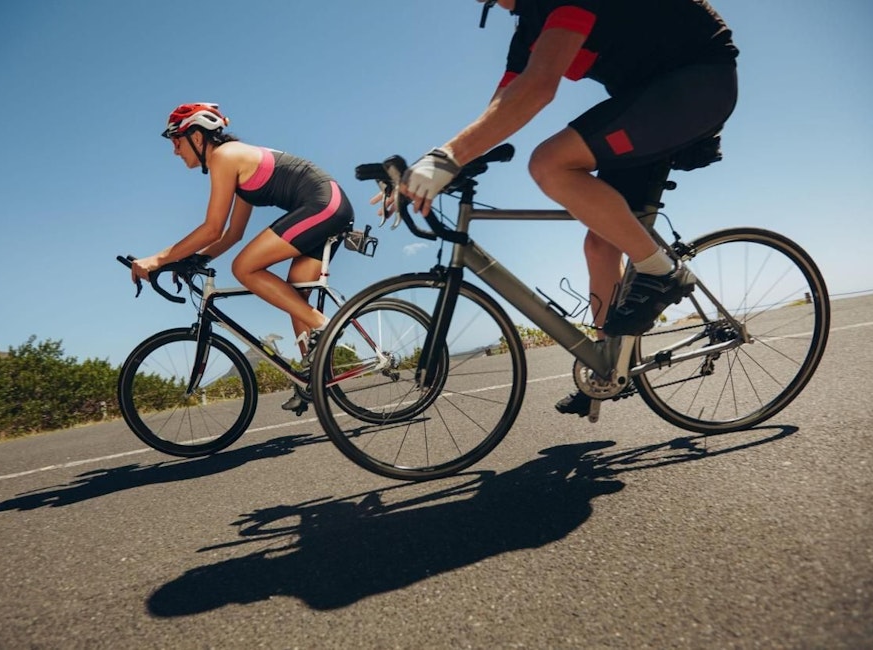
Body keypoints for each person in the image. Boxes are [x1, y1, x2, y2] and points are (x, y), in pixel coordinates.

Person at [396, 0, 738, 415]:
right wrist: (435, 167)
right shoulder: (528, 29)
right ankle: (607, 366)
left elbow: (539, 87)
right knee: (600, 244)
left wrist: (446, 158)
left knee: (549, 163)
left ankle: (664, 273)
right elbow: (503, 103)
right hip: (649, 96)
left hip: (697, 81)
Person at [131, 103, 355, 413]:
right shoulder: (235, 162)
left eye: (176, 141)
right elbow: (232, 233)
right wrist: (191, 261)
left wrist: (157, 259)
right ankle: (312, 380)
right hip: (327, 205)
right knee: (295, 294)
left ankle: (325, 326)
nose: (174, 151)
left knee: (244, 267)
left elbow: (212, 228)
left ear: (197, 137)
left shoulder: (225, 156)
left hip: (323, 204)